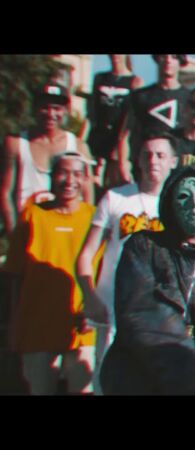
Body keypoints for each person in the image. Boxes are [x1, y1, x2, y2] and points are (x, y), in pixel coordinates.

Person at [100, 165, 195, 395]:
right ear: (169, 204)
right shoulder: (145, 248)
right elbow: (144, 315)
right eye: (184, 196)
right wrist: (190, 380)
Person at [75, 133, 178, 394]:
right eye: (147, 154)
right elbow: (86, 255)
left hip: (159, 311)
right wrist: (89, 296)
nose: (153, 160)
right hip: (112, 307)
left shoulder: (180, 205)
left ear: (173, 162)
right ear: (137, 160)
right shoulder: (115, 198)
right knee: (108, 381)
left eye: (160, 155)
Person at [4, 152, 97, 394]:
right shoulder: (32, 216)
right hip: (37, 325)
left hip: (81, 326)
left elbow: (104, 274)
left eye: (77, 174)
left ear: (85, 179)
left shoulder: (95, 218)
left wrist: (95, 311)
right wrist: (14, 324)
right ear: (52, 177)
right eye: (63, 173)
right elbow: (15, 275)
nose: (70, 180)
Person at [1, 84, 95, 234]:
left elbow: (88, 197)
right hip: (27, 229)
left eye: (57, 108)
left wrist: (85, 231)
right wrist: (13, 231)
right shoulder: (16, 144)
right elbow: (5, 193)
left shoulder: (78, 146)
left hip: (68, 230)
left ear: (65, 110)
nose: (51, 114)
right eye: (45, 107)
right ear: (35, 108)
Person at [114, 54, 190, 185]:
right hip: (145, 168)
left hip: (176, 170)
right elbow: (125, 134)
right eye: (164, 56)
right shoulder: (140, 96)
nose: (168, 60)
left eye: (174, 57)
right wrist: (123, 165)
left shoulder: (189, 98)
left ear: (181, 61)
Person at [86, 55, 143, 184]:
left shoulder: (135, 81)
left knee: (115, 182)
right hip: (98, 140)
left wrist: (120, 148)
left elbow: (130, 118)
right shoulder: (100, 78)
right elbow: (91, 113)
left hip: (119, 143)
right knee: (93, 181)